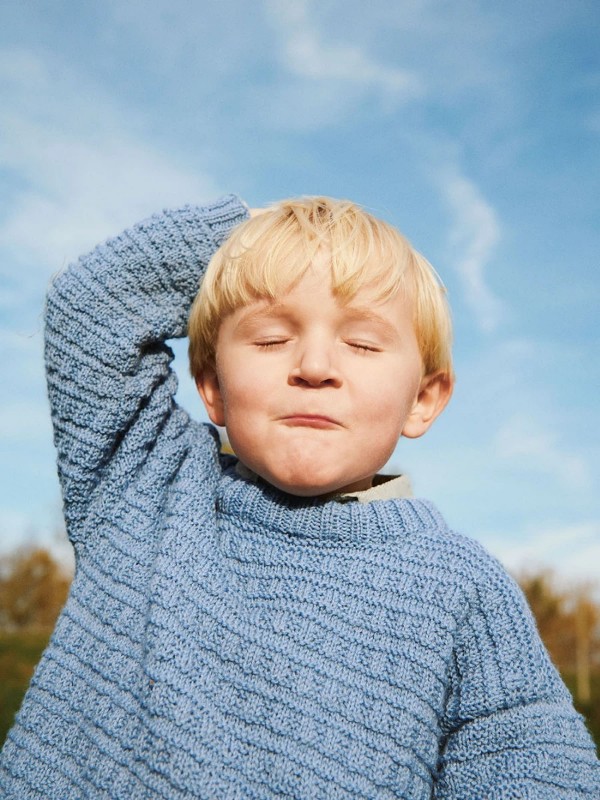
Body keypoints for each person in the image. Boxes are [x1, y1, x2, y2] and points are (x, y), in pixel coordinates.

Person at [0, 195, 597, 799]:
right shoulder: (149, 486)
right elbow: (92, 307)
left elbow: (536, 772)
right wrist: (257, 235)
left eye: (362, 345)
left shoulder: (463, 588)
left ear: (423, 398)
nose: (314, 366)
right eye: (268, 340)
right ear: (211, 387)